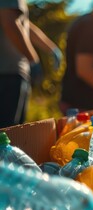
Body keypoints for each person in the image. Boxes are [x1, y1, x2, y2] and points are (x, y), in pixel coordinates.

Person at [0, 0, 62, 128]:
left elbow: (24, 24)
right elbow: (10, 22)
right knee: (7, 136)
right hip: (7, 74)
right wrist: (32, 59)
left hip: (11, 73)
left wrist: (51, 48)